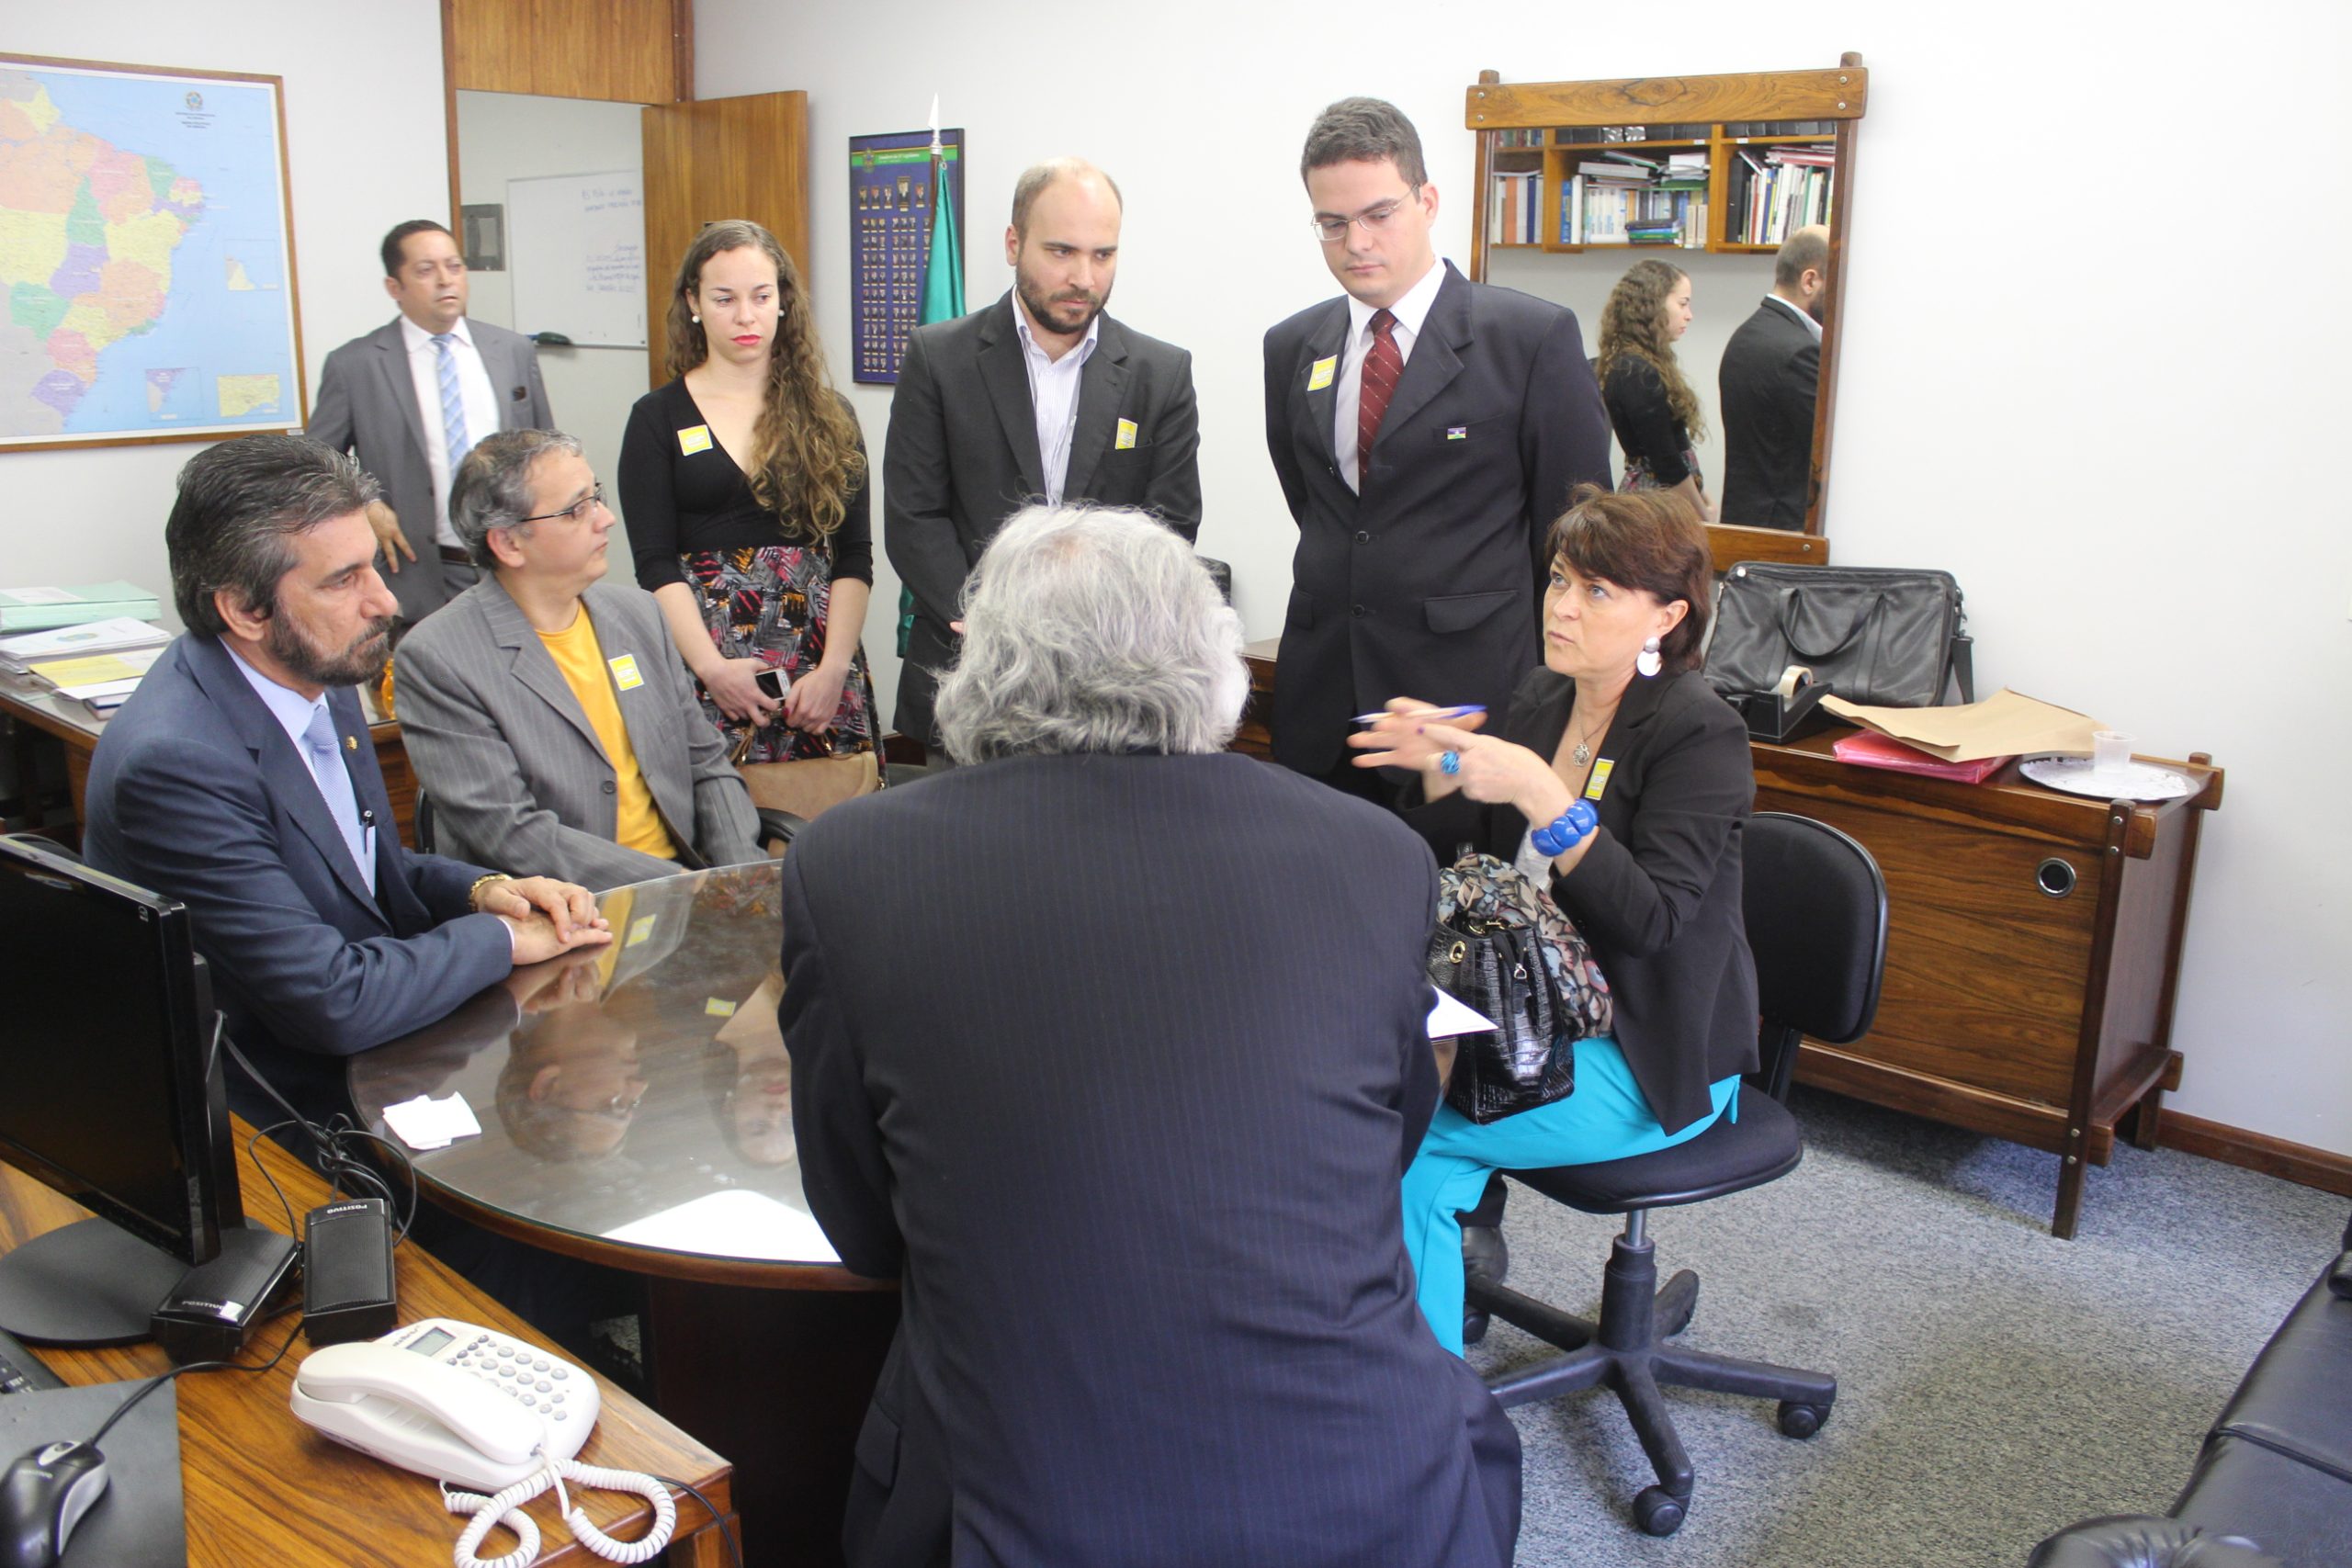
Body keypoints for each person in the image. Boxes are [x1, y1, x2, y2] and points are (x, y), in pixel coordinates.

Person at [779, 505, 1521, 1568]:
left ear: (978, 659)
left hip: (1024, 1513)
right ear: (1213, 658)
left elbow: (863, 1233)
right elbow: (1383, 1149)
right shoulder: (1373, 855)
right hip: (1383, 1501)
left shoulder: (855, 865)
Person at [82, 434, 611, 1134]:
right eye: (343, 579)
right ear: (244, 610)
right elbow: (330, 1001)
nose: (385, 602)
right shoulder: (177, 765)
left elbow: (357, 874)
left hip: (385, 1050)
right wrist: (501, 940)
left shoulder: (311, 669)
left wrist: (487, 890)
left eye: (374, 567)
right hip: (273, 1116)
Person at [1353, 485, 1758, 1355]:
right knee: (1364, 1079)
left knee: (1419, 1145)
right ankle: (1375, 1346)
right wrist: (1440, 763)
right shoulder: (1545, 694)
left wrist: (1545, 793)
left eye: (1598, 591)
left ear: (1668, 617)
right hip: (1536, 1009)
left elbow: (1651, 921)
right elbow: (1473, 859)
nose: (1563, 607)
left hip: (1652, 1051)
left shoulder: (1700, 732)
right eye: (1559, 581)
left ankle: (1431, 1420)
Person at [1265, 96, 1612, 800]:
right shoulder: (1291, 347)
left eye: (1378, 214)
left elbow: (1575, 539)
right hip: (1321, 707)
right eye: (1332, 223)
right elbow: (1321, 509)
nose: (1356, 241)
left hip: (1466, 708)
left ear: (1427, 200)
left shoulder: (1527, 339)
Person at [885, 157, 1201, 758]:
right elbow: (914, 517)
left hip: (1109, 693)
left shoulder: (1161, 374)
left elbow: (1170, 526)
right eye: (1061, 252)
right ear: (1013, 243)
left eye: (1103, 255)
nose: (1084, 276)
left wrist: (1087, 635)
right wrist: (995, 625)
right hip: (969, 677)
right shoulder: (940, 359)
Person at [393, 428, 764, 887]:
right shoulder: (438, 658)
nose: (606, 518)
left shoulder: (638, 615)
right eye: (576, 509)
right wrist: (682, 889)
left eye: (597, 497)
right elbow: (513, 834)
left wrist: (743, 876)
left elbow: (707, 765)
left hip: (693, 886)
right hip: (565, 915)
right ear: (508, 543)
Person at [618, 220, 883, 778]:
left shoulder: (831, 415)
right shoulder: (656, 418)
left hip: (818, 667)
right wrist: (712, 669)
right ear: (693, 302)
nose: (745, 316)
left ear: (783, 300)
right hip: (707, 662)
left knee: (833, 833)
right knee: (719, 835)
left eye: (761, 297)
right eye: (724, 299)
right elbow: (654, 565)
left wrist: (834, 668)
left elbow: (855, 555)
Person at [307, 220, 557, 625]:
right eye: (425, 271)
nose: (445, 281)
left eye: (454, 266)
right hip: (417, 575)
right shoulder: (356, 365)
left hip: (515, 567)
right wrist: (364, 504)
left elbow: (548, 455)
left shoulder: (511, 351)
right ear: (395, 287)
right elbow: (313, 464)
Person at [1719, 224, 1829, 529]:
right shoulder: (1799, 351)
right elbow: (1832, 445)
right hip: (1780, 528)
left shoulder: (1747, 334)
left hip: (1745, 518)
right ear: (1810, 280)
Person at [1598, 258, 1717, 524]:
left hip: (1664, 497)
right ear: (1651, 304)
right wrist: (1703, 514)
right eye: (1683, 304)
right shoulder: (1636, 370)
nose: (1689, 314)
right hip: (1656, 503)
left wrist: (1702, 493)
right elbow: (1665, 460)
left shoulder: (1645, 362)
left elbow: (1674, 443)